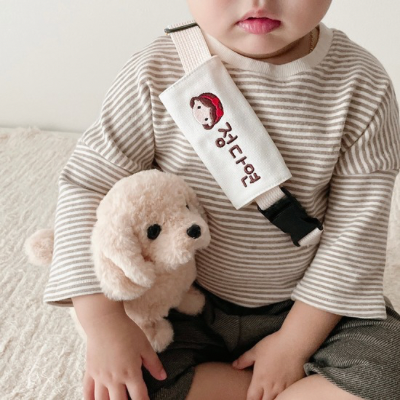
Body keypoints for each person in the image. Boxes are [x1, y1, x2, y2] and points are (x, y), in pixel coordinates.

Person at [43, 1, 400, 399]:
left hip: (310, 308)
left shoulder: (363, 84)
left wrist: (293, 346)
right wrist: (104, 323)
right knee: (129, 382)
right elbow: (87, 186)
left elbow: (354, 236)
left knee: (390, 372)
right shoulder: (154, 70)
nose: (259, 1)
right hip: (183, 300)